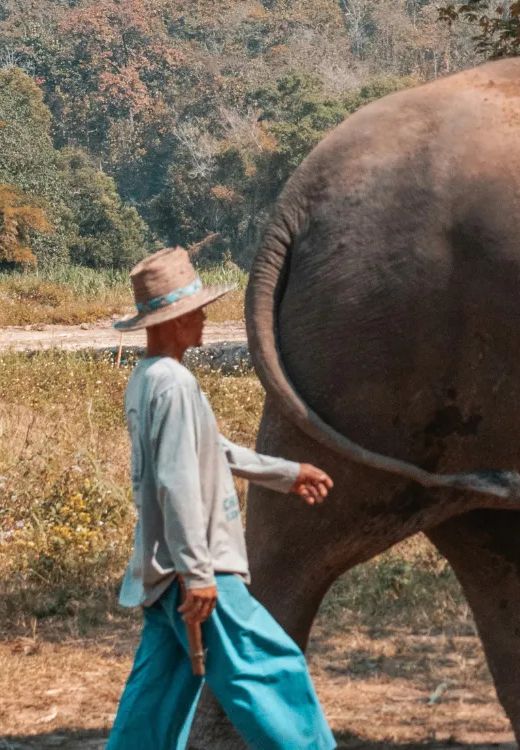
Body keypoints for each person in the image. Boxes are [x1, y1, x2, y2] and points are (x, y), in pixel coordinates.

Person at [105, 247, 338, 749]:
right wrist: (199, 573)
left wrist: (286, 472)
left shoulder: (145, 378)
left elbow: (210, 450)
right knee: (272, 673)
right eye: (197, 312)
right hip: (198, 571)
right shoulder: (174, 383)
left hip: (162, 576)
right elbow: (176, 481)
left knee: (156, 700)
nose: (205, 319)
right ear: (174, 321)